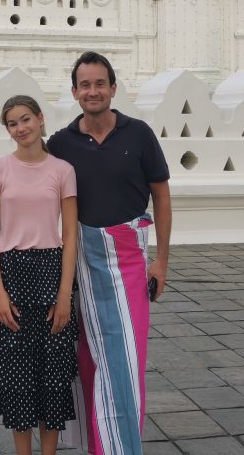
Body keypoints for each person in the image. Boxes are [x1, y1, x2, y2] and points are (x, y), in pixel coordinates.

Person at [47, 52, 171, 455]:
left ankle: (119, 446)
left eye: (100, 83)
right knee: (86, 356)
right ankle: (96, 442)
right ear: (74, 92)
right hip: (81, 261)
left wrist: (163, 259)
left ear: (113, 88)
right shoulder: (62, 143)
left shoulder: (139, 134)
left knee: (125, 360)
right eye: (85, 85)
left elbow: (162, 196)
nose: (93, 91)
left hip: (129, 260)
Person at [0, 95, 79, 455]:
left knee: (53, 376)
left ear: (40, 119)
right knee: (18, 377)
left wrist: (65, 293)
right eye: (12, 123)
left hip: (52, 270)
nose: (20, 128)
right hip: (11, 271)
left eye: (25, 119)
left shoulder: (62, 170)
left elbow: (70, 235)